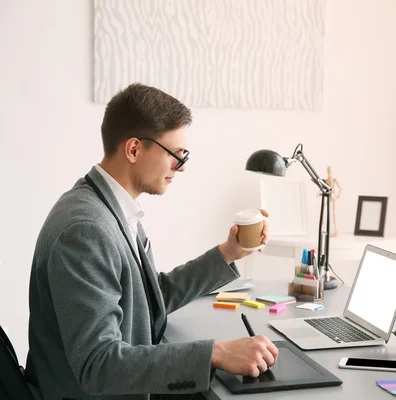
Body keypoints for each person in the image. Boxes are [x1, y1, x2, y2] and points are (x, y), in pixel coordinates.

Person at [25, 83, 278, 400]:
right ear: (133, 149)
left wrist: (229, 253)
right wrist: (214, 353)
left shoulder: (111, 207)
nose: (181, 167)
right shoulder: (86, 230)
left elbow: (145, 301)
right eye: (175, 154)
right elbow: (97, 365)